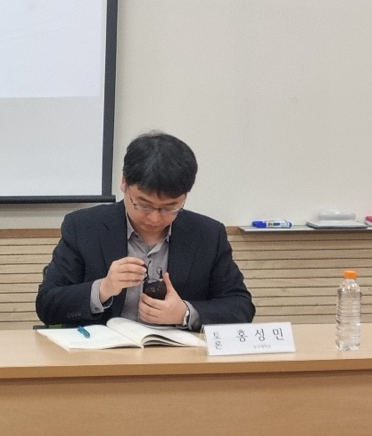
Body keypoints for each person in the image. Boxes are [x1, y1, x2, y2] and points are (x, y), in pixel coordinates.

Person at [36, 131, 253, 329]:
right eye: (144, 204)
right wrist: (103, 288)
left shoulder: (208, 234)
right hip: (102, 354)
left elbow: (241, 306)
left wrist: (185, 313)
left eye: (170, 207)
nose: (155, 218)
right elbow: (47, 305)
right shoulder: (83, 227)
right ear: (124, 183)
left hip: (178, 355)